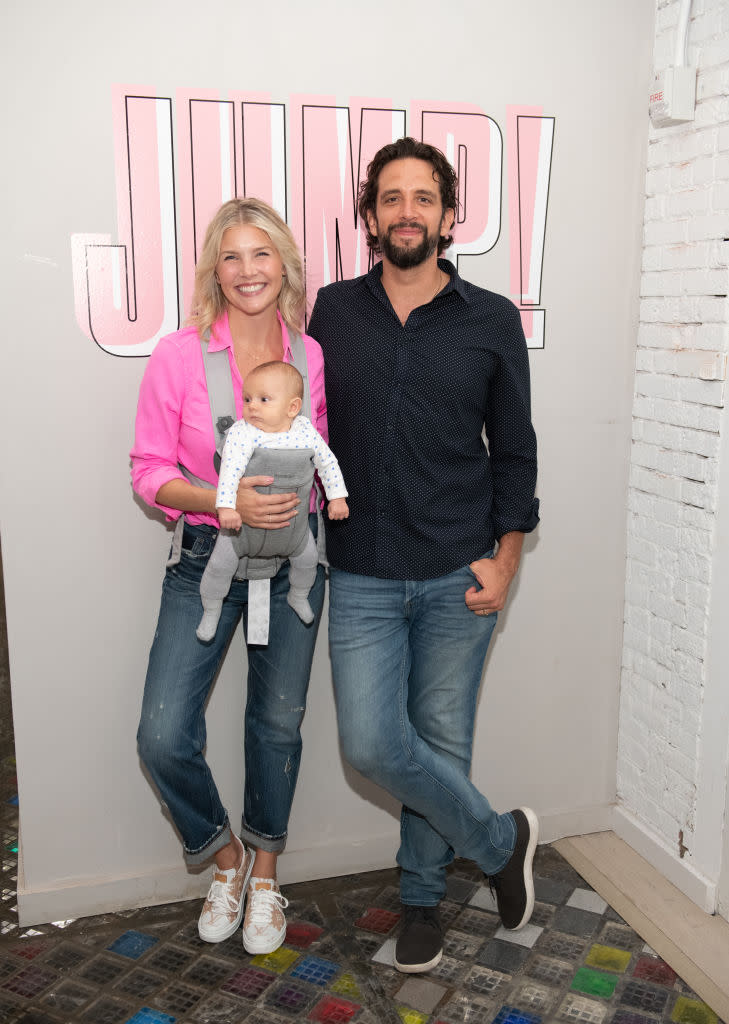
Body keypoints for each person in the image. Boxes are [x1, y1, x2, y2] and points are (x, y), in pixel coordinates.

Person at [308, 137, 540, 974]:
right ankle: (498, 840)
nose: (407, 212)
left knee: (440, 741)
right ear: (368, 215)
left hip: (457, 568)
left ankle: (419, 904)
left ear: (450, 216)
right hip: (363, 566)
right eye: (390, 198)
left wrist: (506, 560)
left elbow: (514, 451)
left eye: (423, 198)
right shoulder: (330, 311)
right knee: (373, 744)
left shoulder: (490, 320)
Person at [132, 197, 328, 955]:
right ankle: (225, 859)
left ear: (284, 265)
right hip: (203, 561)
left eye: (261, 254)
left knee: (277, 724)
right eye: (231, 256)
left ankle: (268, 879)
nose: (247, 271)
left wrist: (312, 504)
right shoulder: (178, 355)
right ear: (215, 269)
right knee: (161, 734)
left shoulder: (309, 356)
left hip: (293, 565)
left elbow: (318, 451)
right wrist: (224, 499)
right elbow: (148, 471)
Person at [197, 360, 348, 642]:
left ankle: (298, 595)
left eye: (263, 399)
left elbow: (328, 463)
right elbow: (230, 472)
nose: (252, 406)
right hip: (241, 532)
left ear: (292, 407)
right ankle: (212, 608)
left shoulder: (305, 431)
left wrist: (337, 497)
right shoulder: (243, 433)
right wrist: (226, 507)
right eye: (247, 399)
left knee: (308, 560)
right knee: (220, 565)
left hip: (293, 531)